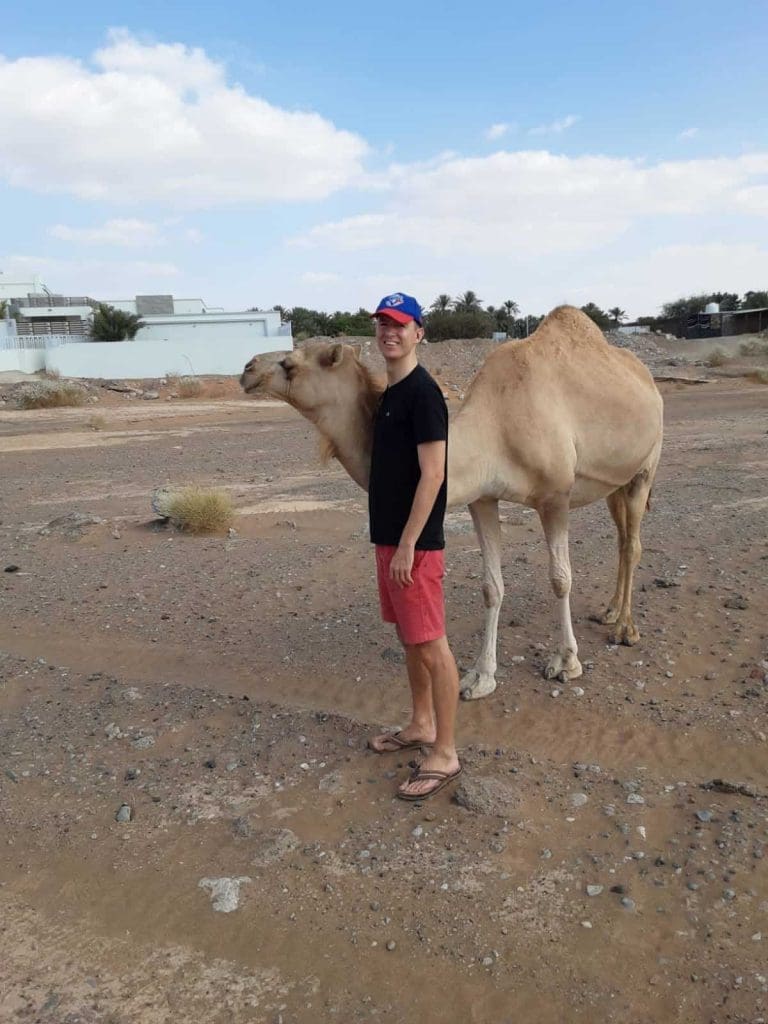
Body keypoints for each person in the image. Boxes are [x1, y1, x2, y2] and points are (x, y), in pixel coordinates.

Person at [366, 292, 462, 801]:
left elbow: (434, 475)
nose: (390, 332)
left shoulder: (424, 394)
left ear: (419, 333)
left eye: (400, 325)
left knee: (432, 643)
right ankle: (422, 723)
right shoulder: (390, 394)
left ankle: (445, 752)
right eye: (383, 323)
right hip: (389, 541)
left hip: (414, 547)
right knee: (409, 638)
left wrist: (407, 545)